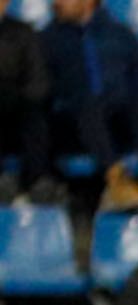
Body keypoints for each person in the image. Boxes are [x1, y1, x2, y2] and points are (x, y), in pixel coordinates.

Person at [39, 0, 138, 210]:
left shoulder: (121, 34)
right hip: (71, 126)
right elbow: (42, 89)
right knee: (87, 102)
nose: (56, 3)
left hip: (117, 123)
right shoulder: (47, 40)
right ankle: (116, 178)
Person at [0, 0, 56, 205]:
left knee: (35, 115)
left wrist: (24, 99)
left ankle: (38, 180)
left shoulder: (23, 33)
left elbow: (38, 80)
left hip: (17, 104)